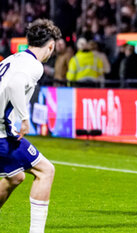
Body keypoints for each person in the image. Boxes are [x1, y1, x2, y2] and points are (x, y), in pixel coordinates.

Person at [0, 19, 61, 233]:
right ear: (51, 46)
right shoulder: (34, 65)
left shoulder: (13, 58)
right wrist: (24, 119)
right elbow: (16, 83)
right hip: (2, 134)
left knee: (15, 176)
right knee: (46, 171)